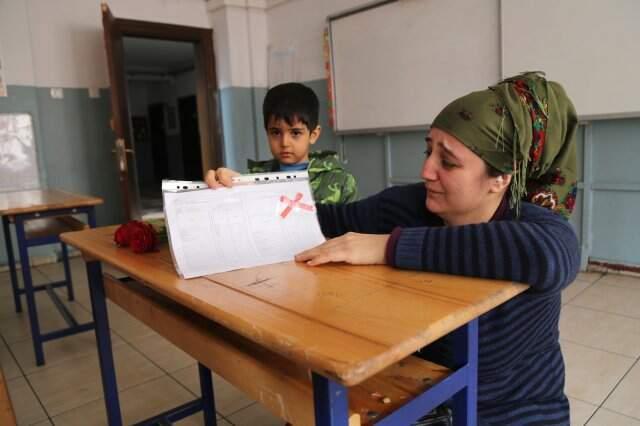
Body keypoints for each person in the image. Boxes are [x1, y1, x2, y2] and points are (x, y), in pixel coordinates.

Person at [207, 72, 580, 425]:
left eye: (447, 161)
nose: (426, 170)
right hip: (431, 394)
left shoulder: (531, 225)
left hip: (512, 411)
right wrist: (248, 196)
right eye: (428, 151)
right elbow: (322, 221)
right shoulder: (411, 205)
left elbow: (553, 255)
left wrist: (389, 246)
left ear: (500, 178)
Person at [206, 82, 357, 204]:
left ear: (313, 134)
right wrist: (218, 188)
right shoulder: (252, 180)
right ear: (267, 132)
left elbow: (355, 236)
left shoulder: (341, 181)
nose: (284, 142)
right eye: (276, 132)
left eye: (295, 133)